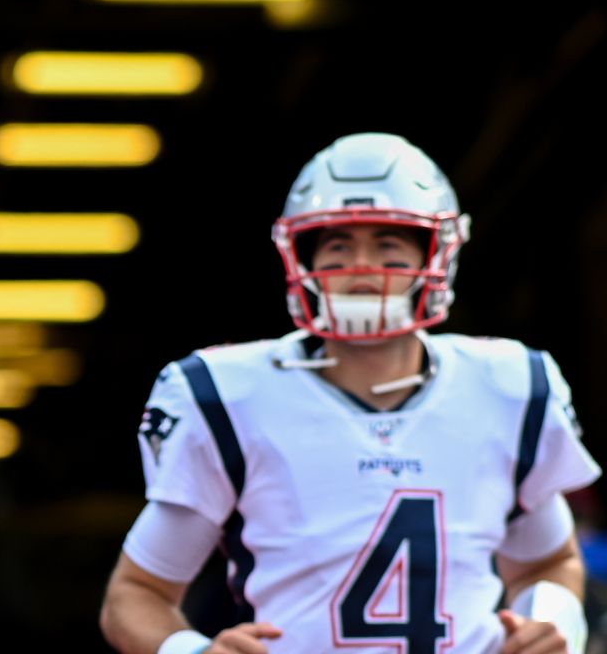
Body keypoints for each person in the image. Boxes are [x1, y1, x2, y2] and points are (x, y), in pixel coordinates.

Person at [100, 132, 601, 654]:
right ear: (303, 258)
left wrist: (552, 620)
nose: (363, 270)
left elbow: (549, 561)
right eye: (339, 245)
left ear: (437, 254)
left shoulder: (507, 386)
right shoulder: (230, 396)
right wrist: (194, 652)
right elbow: (135, 594)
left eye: (389, 244)